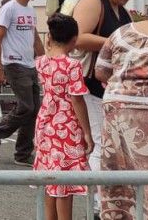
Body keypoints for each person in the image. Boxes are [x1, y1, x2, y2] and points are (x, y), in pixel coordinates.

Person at [70, 0, 141, 212]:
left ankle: (108, 201)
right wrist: (117, 42)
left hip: (109, 87)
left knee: (111, 145)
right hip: (90, 85)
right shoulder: (94, 1)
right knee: (100, 143)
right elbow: (77, 37)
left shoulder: (121, 10)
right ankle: (100, 206)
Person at [96, 5, 148, 219]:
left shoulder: (121, 33)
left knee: (117, 171)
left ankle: (116, 214)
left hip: (117, 107)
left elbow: (101, 71)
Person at [34, 13, 92, 220]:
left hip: (45, 122)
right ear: (74, 40)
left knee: (51, 178)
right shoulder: (72, 66)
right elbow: (77, 100)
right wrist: (87, 132)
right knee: (65, 183)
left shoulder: (41, 62)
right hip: (66, 124)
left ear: (49, 36)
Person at [0, 0, 45, 166]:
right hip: (13, 63)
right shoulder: (9, 9)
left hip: (29, 64)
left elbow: (35, 38)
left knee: (34, 109)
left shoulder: (31, 10)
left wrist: (44, 60)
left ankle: (23, 153)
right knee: (26, 106)